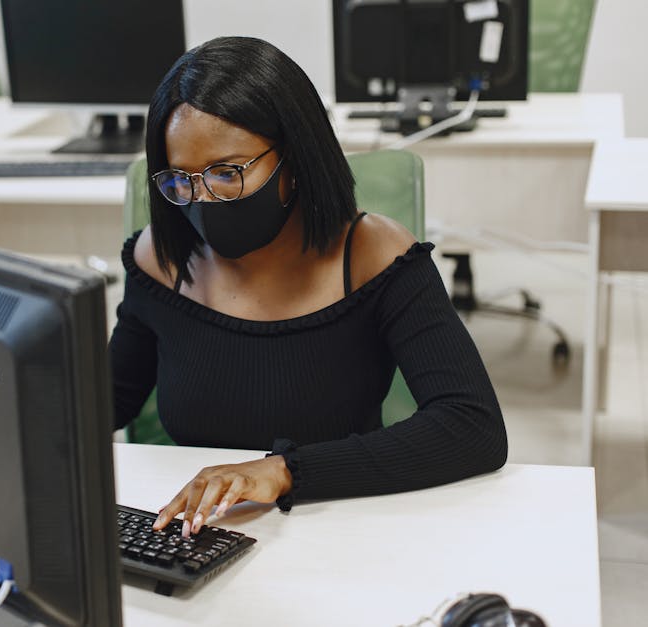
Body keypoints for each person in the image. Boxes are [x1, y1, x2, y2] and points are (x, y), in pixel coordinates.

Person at [108, 36, 507, 538]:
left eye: (227, 173)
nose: (203, 199)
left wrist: (282, 470)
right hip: (202, 533)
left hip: (341, 528)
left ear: (293, 158)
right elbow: (107, 402)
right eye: (181, 180)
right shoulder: (161, 259)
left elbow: (472, 427)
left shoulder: (371, 255)